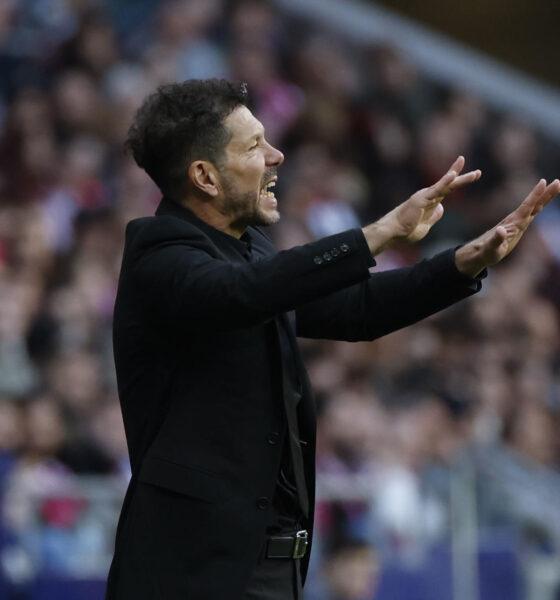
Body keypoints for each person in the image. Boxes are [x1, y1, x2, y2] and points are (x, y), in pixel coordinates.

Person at [105, 78, 559, 600]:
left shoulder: (246, 248)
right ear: (205, 176)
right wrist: (380, 233)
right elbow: (243, 294)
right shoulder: (159, 256)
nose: (276, 155)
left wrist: (462, 264)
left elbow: (354, 309)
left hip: (275, 572)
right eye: (254, 146)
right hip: (190, 577)